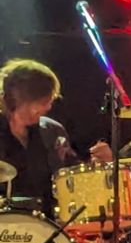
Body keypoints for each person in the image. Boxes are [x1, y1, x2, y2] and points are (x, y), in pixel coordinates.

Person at [0, 58, 111, 216]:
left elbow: (72, 176)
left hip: (46, 226)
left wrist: (98, 164)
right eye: (43, 102)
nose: (48, 107)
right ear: (22, 99)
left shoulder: (52, 131)